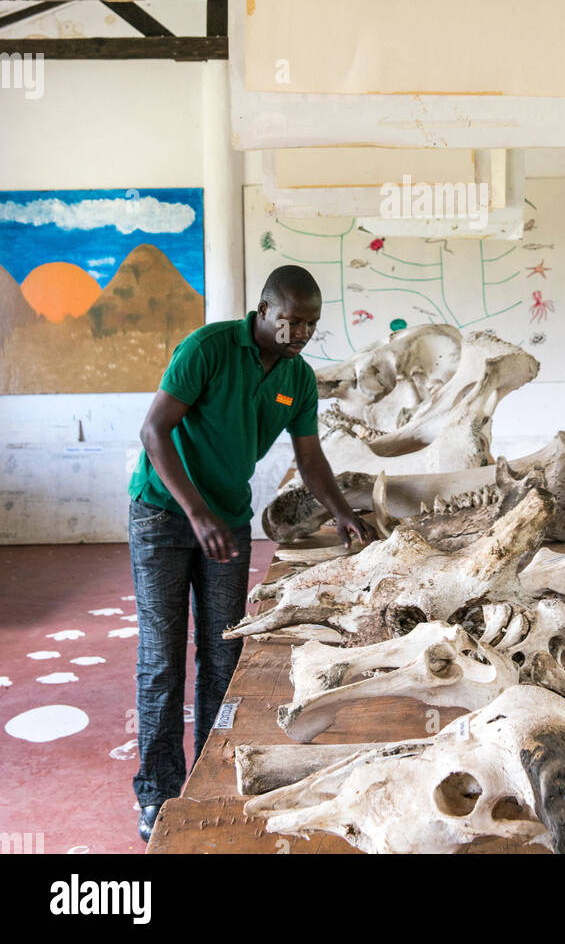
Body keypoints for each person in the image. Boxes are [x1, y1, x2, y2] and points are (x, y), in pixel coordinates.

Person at [127, 264, 377, 842]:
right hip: (164, 513)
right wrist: (197, 514)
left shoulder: (299, 378)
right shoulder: (208, 348)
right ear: (263, 311)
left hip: (228, 521)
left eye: (311, 324)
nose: (300, 334)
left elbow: (310, 459)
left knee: (224, 656)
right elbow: (154, 432)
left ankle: (211, 775)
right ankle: (158, 794)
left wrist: (343, 513)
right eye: (290, 321)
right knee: (162, 659)